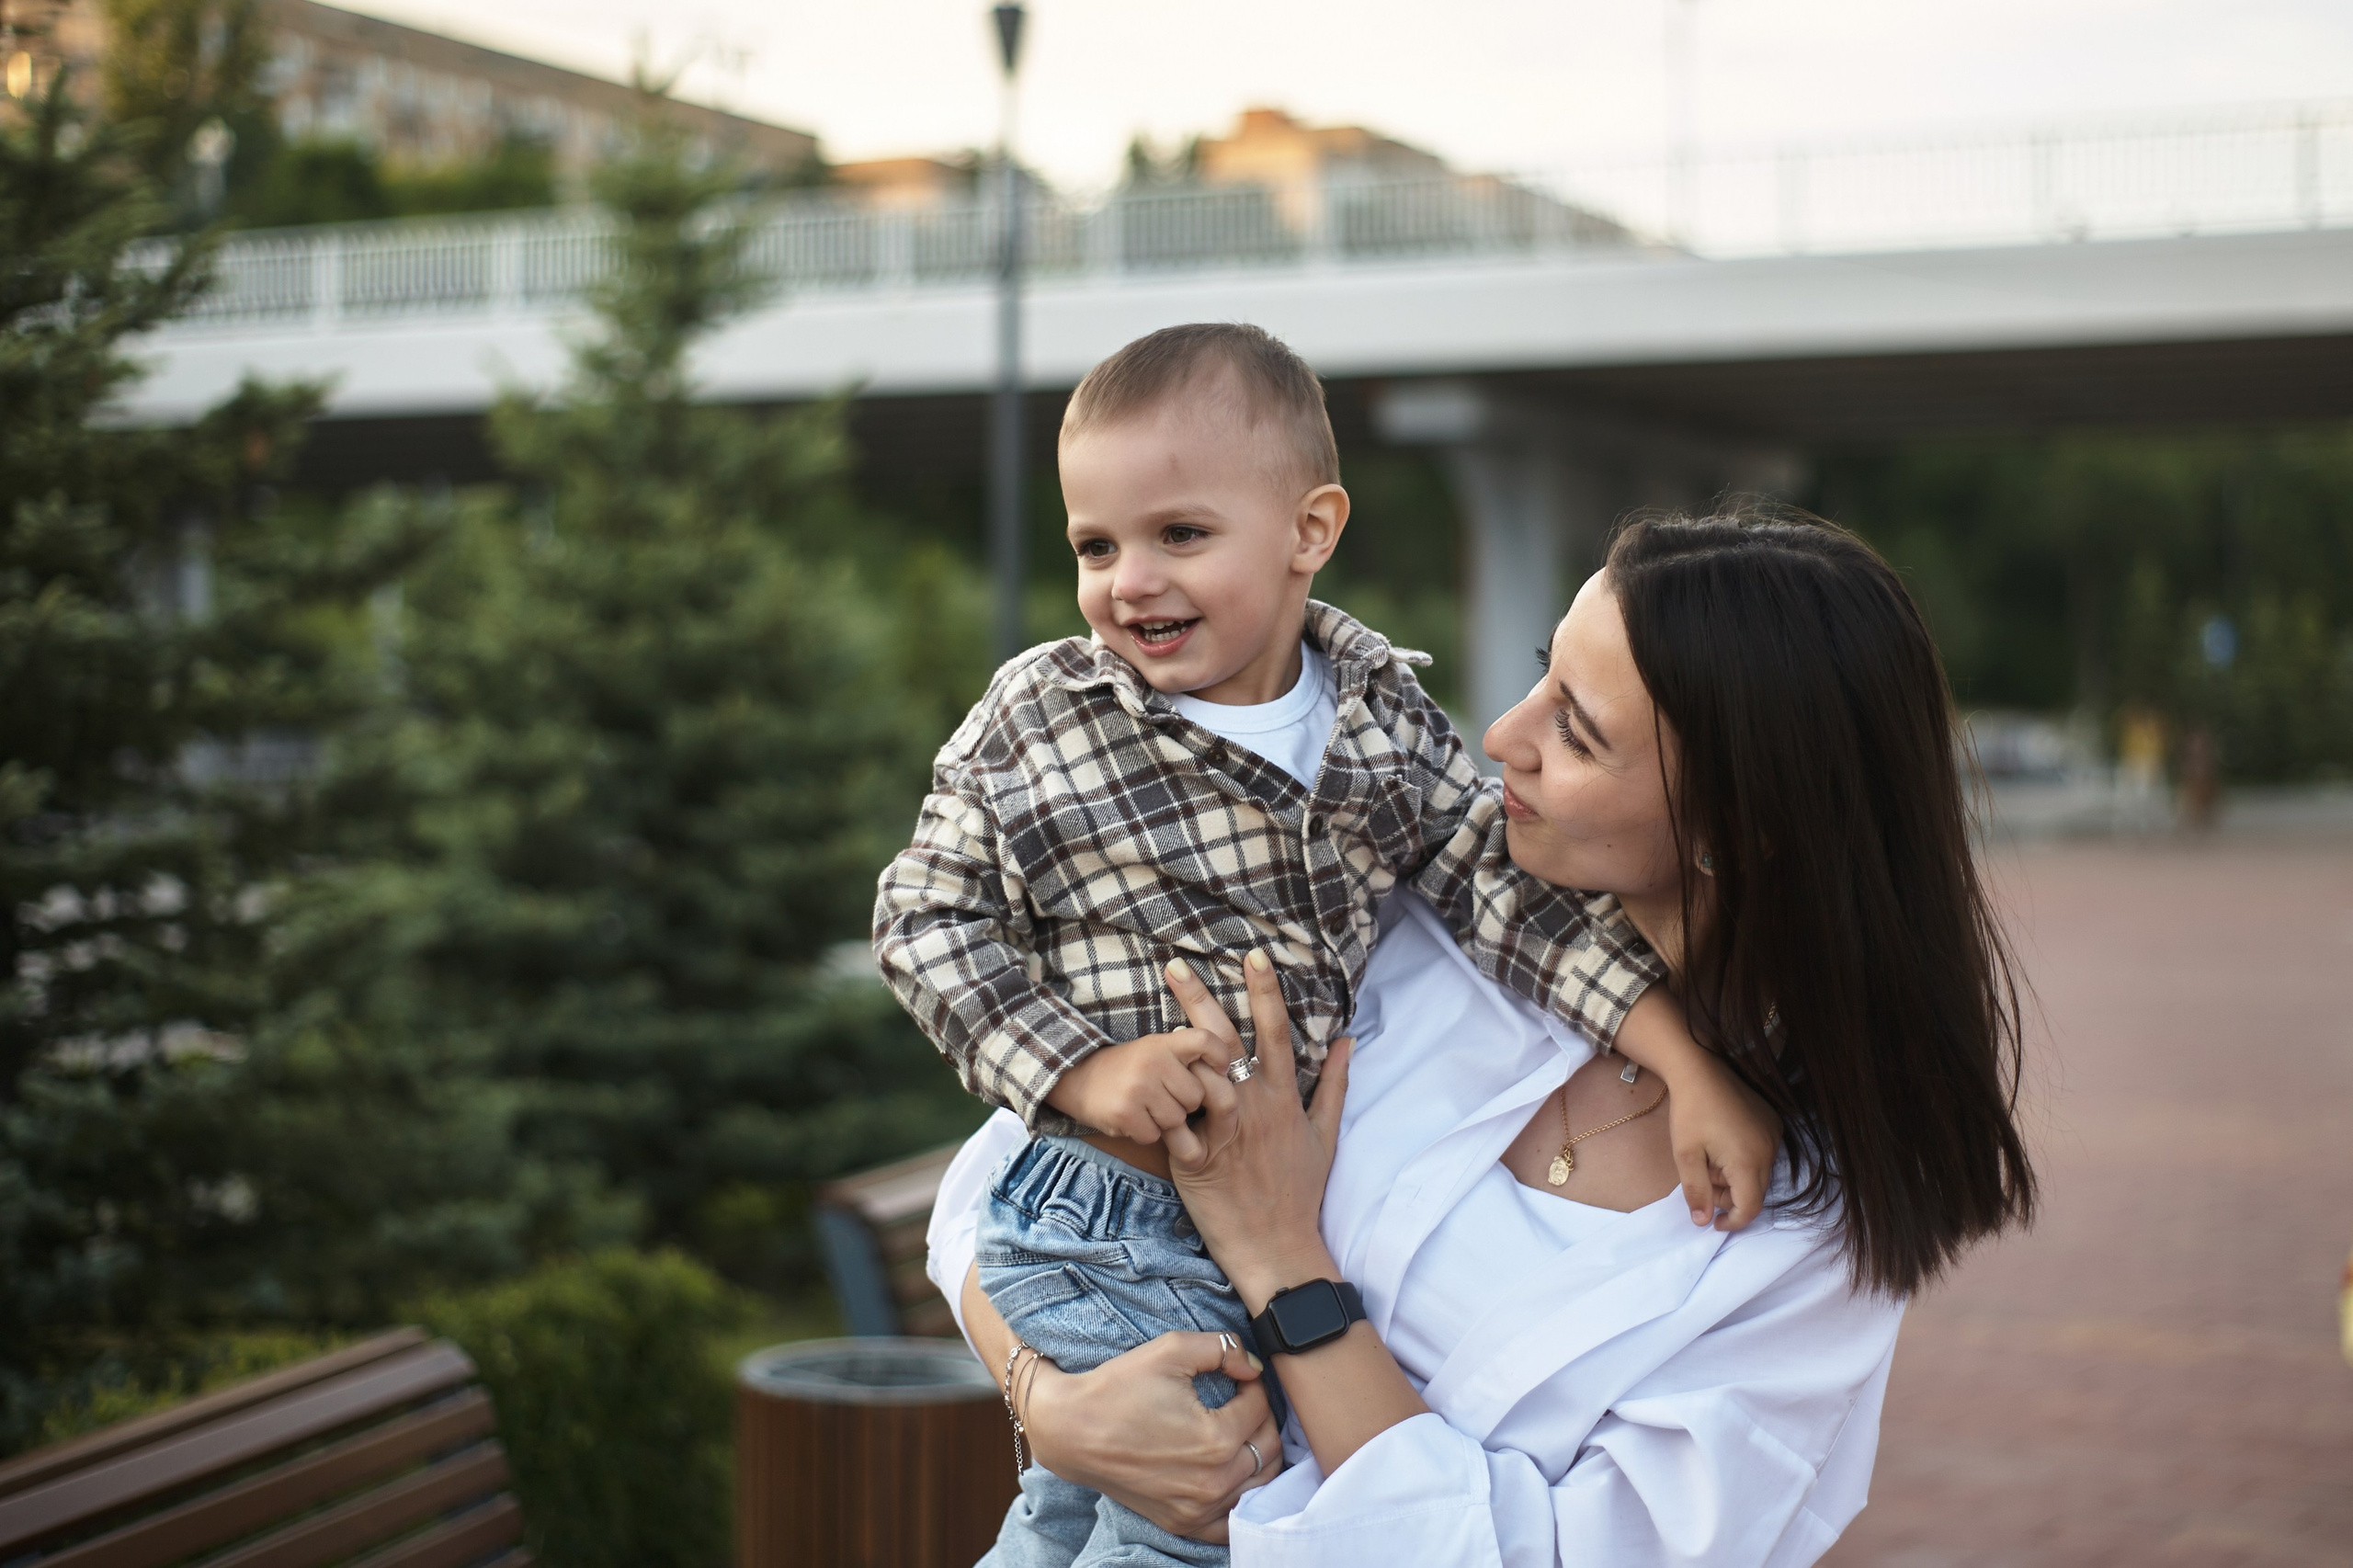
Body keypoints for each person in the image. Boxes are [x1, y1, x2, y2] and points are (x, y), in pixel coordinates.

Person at [930, 511, 2040, 1565]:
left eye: (1577, 729)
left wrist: (1283, 1263)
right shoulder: (1402, 913)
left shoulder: (1805, 1233)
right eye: (1542, 672)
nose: (1502, 734)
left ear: (1732, 829)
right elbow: (996, 1174)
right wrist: (1053, 1403)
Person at [873, 325, 1781, 1567]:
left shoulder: (1380, 721)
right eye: (1096, 544)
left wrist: (1685, 1058)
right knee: (1188, 1519)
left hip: (1238, 1236)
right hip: (1109, 1198)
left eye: (1179, 535)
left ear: (1311, 531)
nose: (1128, 579)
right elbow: (924, 920)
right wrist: (1085, 1071)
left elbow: (1502, 900)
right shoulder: (1048, 714)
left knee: (1080, 1527)